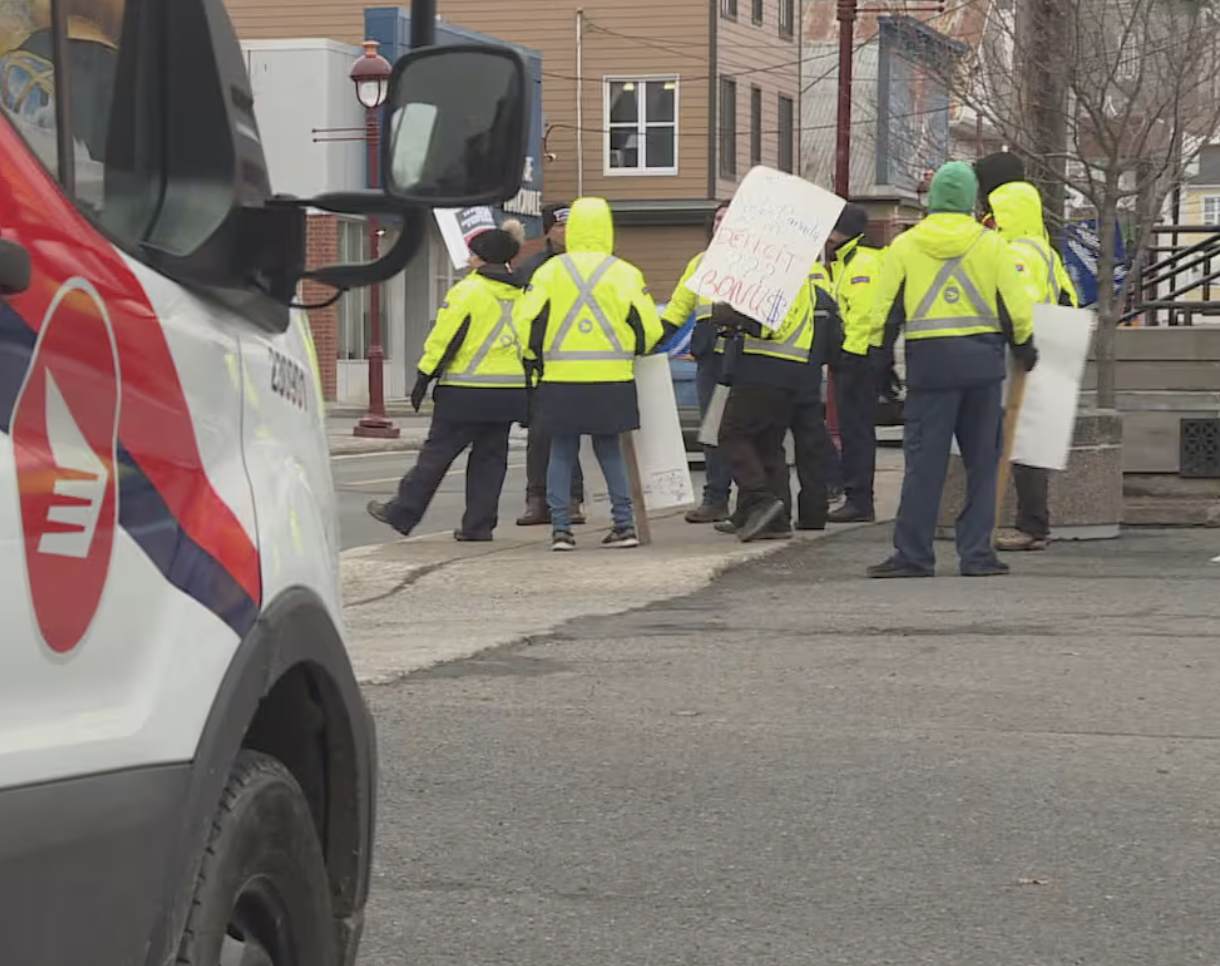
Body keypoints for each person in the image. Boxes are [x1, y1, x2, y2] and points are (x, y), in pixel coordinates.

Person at [866, 161, 1038, 579]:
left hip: (930, 368)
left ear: (933, 199)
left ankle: (913, 554)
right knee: (983, 464)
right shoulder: (991, 244)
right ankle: (977, 554)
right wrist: (1024, 345)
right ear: (970, 200)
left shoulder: (906, 245)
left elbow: (884, 309)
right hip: (982, 368)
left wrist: (880, 358)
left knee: (924, 466)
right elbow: (1014, 305)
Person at [516, 197, 671, 551]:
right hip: (612, 378)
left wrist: (533, 359)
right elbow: (649, 329)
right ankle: (623, 526)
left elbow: (525, 323)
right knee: (611, 451)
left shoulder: (548, 273)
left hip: (560, 378)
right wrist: (634, 349)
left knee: (561, 452)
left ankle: (561, 531)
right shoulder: (625, 273)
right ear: (607, 228)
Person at [367, 227, 527, 540]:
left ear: (483, 257)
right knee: (491, 460)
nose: (468, 259)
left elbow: (444, 338)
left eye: (473, 253)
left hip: (465, 391)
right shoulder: (523, 294)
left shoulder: (468, 291)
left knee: (436, 455)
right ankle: (478, 526)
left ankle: (402, 511)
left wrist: (424, 375)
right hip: (509, 392)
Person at [975, 151, 1080, 553]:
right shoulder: (1044, 249)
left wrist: (1019, 343)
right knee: (1028, 442)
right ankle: (1032, 524)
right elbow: (1068, 298)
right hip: (1045, 352)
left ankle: (1030, 526)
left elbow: (1020, 305)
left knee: (1022, 443)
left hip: (1021, 356)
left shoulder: (1015, 251)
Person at [711, 273, 818, 543]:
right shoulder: (799, 274)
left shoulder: (775, 273)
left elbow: (768, 325)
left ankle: (761, 501)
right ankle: (776, 522)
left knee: (731, 434)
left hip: (764, 369)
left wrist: (732, 315)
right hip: (791, 369)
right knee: (767, 444)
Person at [513, 202, 585, 527]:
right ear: (547, 231)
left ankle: (572, 500)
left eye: (572, 225)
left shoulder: (592, 266)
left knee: (570, 433)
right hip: (540, 365)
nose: (567, 232)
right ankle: (537, 500)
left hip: (583, 362)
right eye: (560, 226)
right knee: (540, 434)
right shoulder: (531, 269)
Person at [663, 201, 734, 523]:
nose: (720, 224)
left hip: (747, 357)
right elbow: (679, 307)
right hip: (712, 359)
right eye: (717, 219)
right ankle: (716, 499)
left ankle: (755, 500)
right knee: (713, 429)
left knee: (748, 430)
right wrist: (653, 339)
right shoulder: (700, 262)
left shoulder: (756, 263)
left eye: (727, 219)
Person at [826, 203, 885, 524]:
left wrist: (850, 354)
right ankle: (856, 497)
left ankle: (859, 500)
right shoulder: (848, 260)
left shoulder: (862, 262)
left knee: (856, 431)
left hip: (858, 359)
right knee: (853, 431)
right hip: (853, 357)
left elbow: (863, 315)